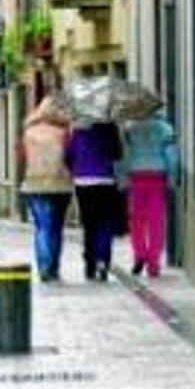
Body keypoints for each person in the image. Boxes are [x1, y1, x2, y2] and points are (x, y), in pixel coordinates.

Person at [19, 97, 73, 282]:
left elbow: (22, 157)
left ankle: (44, 267)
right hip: (60, 185)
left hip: (34, 184)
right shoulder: (64, 132)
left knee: (41, 226)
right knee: (56, 227)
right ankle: (53, 267)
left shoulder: (28, 132)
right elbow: (70, 157)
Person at [122, 111, 179, 278]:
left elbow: (125, 155)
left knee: (136, 221)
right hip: (157, 177)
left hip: (136, 177)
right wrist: (172, 178)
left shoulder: (130, 129)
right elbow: (171, 157)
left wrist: (124, 177)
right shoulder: (165, 129)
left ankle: (140, 254)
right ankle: (153, 263)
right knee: (156, 221)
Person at [67, 121, 123, 282]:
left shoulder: (79, 130)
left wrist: (77, 169)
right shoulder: (110, 128)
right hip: (105, 180)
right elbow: (118, 154)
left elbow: (69, 156)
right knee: (105, 223)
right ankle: (103, 260)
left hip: (83, 182)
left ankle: (90, 264)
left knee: (89, 224)